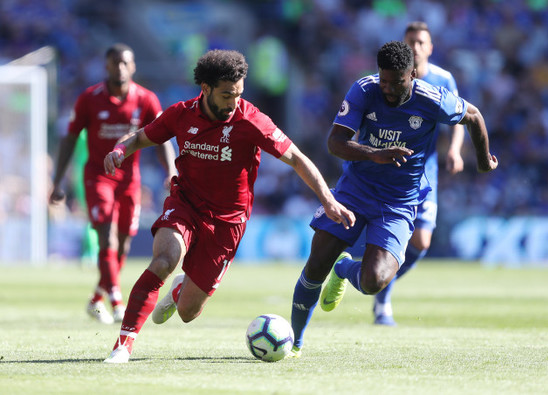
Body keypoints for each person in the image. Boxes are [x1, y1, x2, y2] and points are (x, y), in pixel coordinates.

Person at [102, 49, 355, 363]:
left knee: (188, 313)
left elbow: (297, 159)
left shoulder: (252, 120)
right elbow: (141, 138)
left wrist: (328, 200)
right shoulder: (181, 114)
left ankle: (181, 290)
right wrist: (119, 149)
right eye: (226, 95)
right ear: (205, 89)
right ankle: (123, 344)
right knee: (164, 260)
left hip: (228, 222)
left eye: (238, 94)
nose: (233, 102)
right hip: (186, 204)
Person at [289, 41, 498, 356]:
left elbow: (474, 115)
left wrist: (483, 161)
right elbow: (335, 142)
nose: (387, 88)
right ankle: (294, 344)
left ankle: (344, 270)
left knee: (374, 281)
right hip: (354, 190)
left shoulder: (433, 100)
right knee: (316, 263)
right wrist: (375, 154)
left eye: (396, 82)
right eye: (383, 79)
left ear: (412, 74)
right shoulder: (364, 90)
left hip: (399, 201)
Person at [50, 43, 177, 325]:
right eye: (115, 63)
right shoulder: (89, 99)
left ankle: (96, 299)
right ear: (106, 66)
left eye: (125, 63)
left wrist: (171, 171)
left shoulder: (146, 100)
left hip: (130, 182)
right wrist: (57, 181)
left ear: (133, 67)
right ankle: (117, 302)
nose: (120, 68)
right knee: (106, 236)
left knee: (122, 245)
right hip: (98, 178)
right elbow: (69, 139)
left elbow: (162, 138)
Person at [372, 21, 466, 326]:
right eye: (410, 41)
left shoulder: (443, 79)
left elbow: (462, 118)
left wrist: (453, 150)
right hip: (386, 171)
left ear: (430, 48)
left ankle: (383, 289)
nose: (416, 47)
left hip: (425, 174)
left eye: (421, 42)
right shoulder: (383, 81)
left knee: (422, 242)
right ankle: (369, 280)